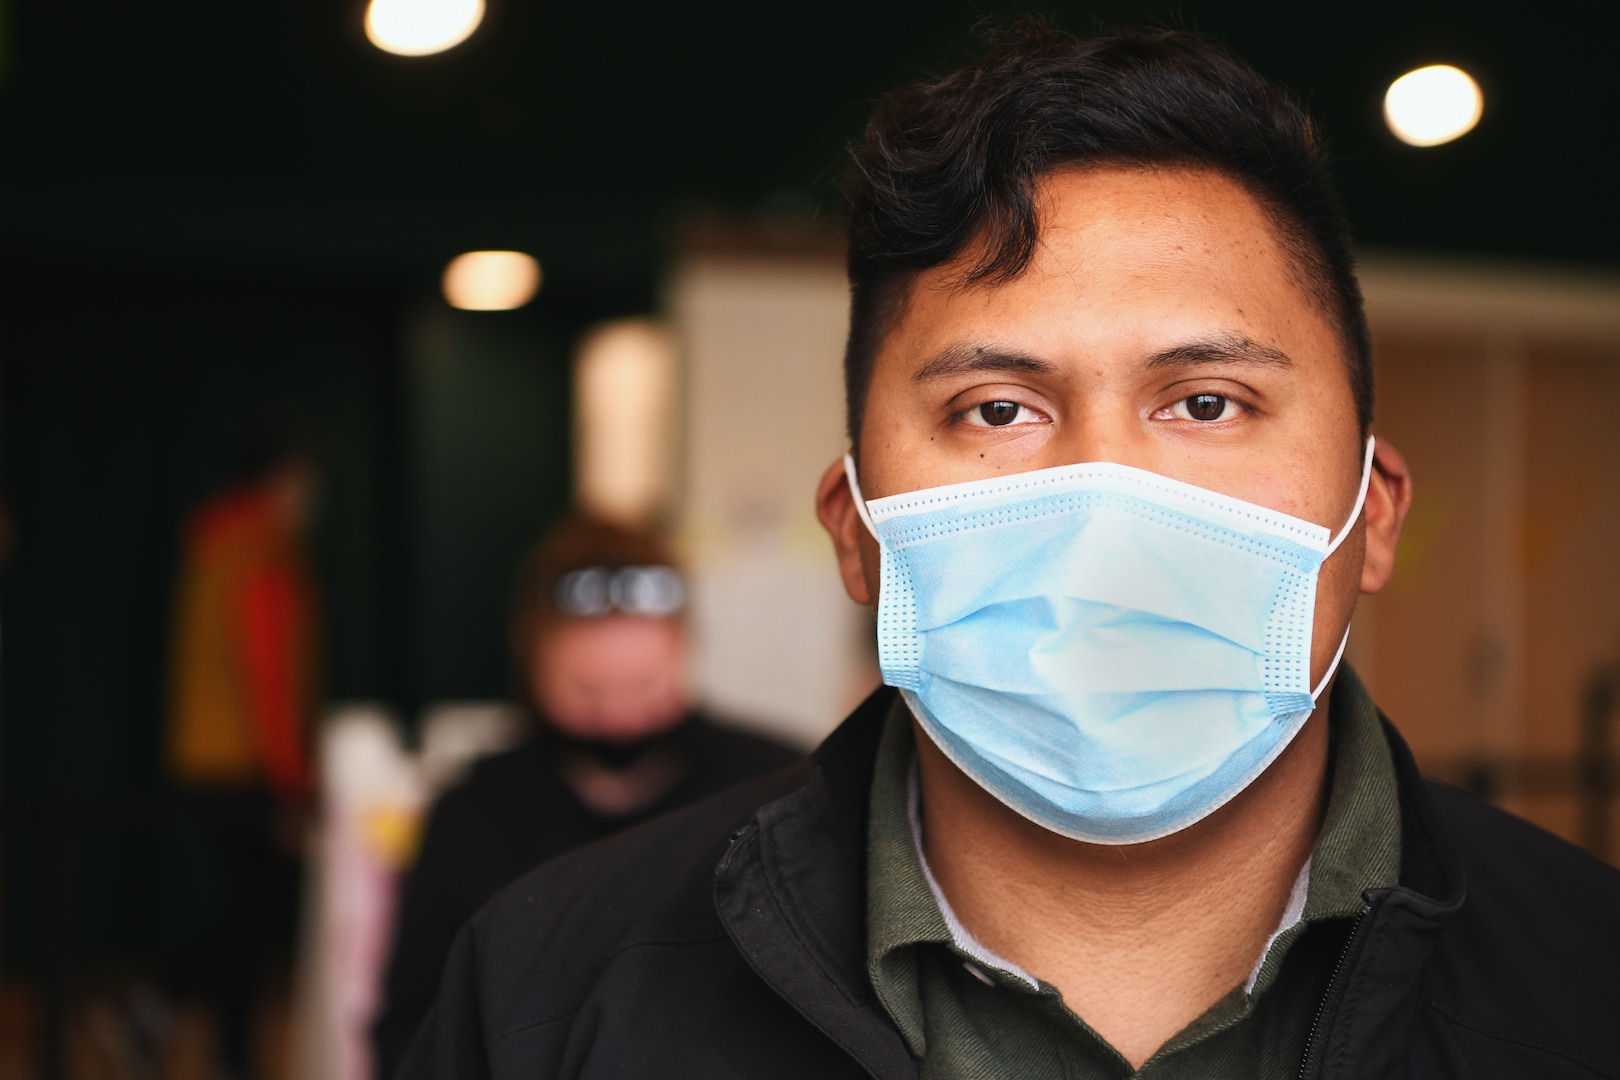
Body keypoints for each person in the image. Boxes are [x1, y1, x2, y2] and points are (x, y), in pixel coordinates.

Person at [396, 25, 1620, 1079]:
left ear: (1376, 515)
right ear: (858, 534)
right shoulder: (546, 998)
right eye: (997, 409)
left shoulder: (1584, 990)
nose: (1106, 502)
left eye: (1205, 402)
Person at [372, 514, 799, 1078]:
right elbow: (412, 1026)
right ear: (530, 654)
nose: (619, 719)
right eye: (587, 693)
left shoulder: (774, 787)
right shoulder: (471, 812)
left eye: (644, 687)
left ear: (687, 648)